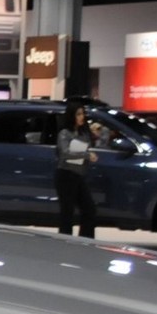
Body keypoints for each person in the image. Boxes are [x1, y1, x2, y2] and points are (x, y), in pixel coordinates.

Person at [54, 102, 100, 238]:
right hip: (65, 175)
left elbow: (85, 148)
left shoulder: (83, 133)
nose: (82, 117)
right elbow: (65, 153)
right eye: (78, 114)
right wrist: (86, 155)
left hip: (79, 175)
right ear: (71, 116)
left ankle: (86, 240)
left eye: (83, 114)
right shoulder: (64, 133)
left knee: (89, 208)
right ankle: (65, 241)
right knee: (67, 212)